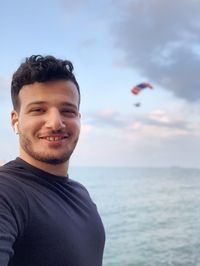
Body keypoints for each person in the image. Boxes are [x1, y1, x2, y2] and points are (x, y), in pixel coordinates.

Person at [0, 55, 105, 266]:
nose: (56, 123)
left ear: (78, 118)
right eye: (38, 110)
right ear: (15, 120)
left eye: (68, 111)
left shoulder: (80, 193)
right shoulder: (6, 192)